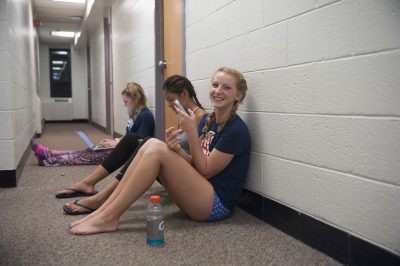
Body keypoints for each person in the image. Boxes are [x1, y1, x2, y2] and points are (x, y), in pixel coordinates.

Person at [68, 67, 250, 235]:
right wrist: (177, 150)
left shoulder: (236, 130)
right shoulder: (209, 121)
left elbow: (205, 171)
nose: (218, 91)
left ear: (239, 95)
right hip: (201, 191)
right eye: (215, 85)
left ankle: (108, 217)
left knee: (155, 148)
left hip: (215, 204)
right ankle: (105, 209)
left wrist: (191, 133)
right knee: (151, 144)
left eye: (226, 87)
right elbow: (196, 164)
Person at [60, 75, 206, 214]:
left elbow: (198, 158)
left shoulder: (201, 118)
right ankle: (88, 183)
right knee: (132, 140)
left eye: (171, 99)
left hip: (187, 175)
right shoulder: (184, 117)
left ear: (184, 94)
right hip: (176, 165)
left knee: (139, 142)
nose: (168, 104)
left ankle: (102, 198)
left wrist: (173, 150)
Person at [32, 82, 154, 168]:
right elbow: (130, 136)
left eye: (126, 102)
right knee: (90, 150)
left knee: (86, 156)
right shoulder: (135, 114)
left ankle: (49, 158)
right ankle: (49, 154)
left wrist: (117, 144)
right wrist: (116, 140)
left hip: (129, 155)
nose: (124, 105)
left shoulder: (145, 116)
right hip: (123, 149)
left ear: (135, 99)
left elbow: (139, 143)